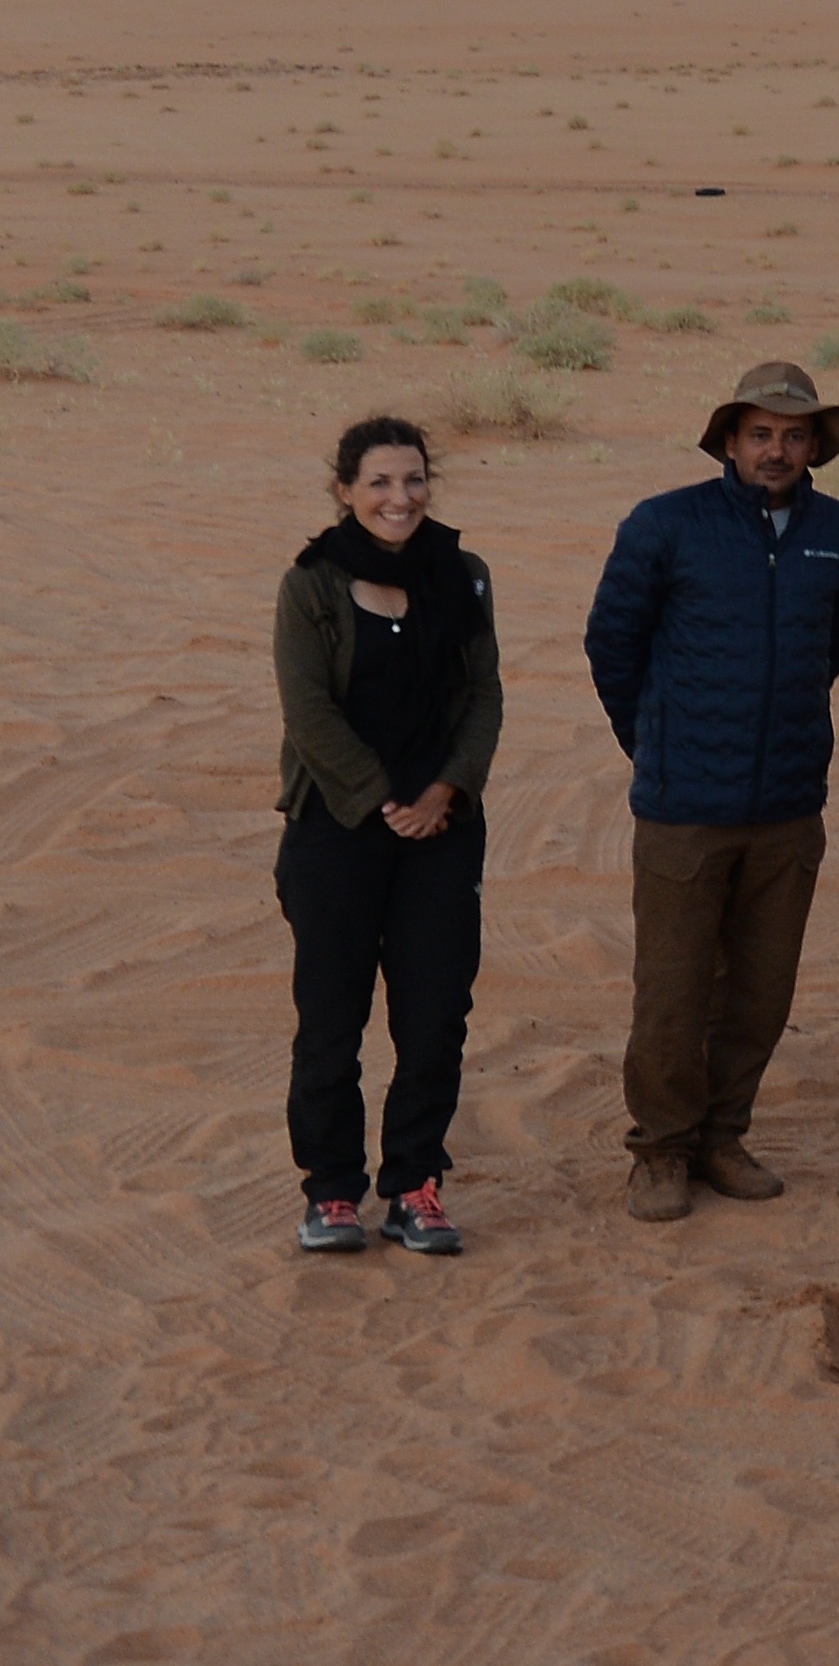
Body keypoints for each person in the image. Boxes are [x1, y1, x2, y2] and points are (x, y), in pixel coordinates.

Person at [586, 361, 839, 1224]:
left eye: (794, 435)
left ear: (815, 445)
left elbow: (833, 642)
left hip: (789, 802)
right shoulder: (665, 524)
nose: (776, 450)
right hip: (683, 807)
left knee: (760, 989)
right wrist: (657, 741)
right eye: (760, 434)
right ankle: (661, 1150)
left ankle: (722, 1138)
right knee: (672, 993)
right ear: (729, 441)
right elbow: (612, 645)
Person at [274, 415, 502, 1256]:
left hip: (442, 830)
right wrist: (383, 799)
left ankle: (414, 1186)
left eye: (412, 480)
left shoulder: (464, 576)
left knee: (435, 1017)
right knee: (332, 1021)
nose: (399, 498)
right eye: (378, 482)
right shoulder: (311, 584)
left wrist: (444, 791)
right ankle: (332, 1191)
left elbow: (484, 696)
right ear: (345, 491)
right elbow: (308, 714)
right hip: (336, 830)